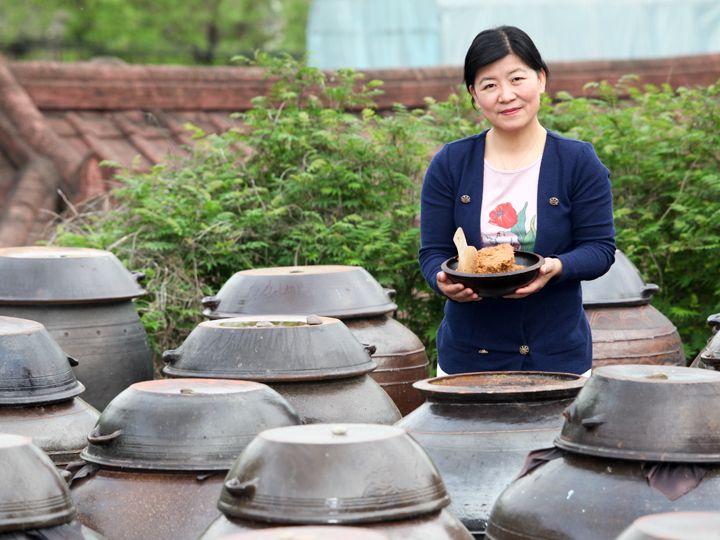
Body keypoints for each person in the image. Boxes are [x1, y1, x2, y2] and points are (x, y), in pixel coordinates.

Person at [419, 25, 615, 376]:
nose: (506, 95)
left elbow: (600, 249)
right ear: (474, 96)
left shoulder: (577, 161)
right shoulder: (450, 163)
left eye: (516, 78)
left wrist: (556, 268)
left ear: (541, 79)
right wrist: (442, 280)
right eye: (489, 85)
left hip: (557, 358)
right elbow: (432, 252)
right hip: (468, 359)